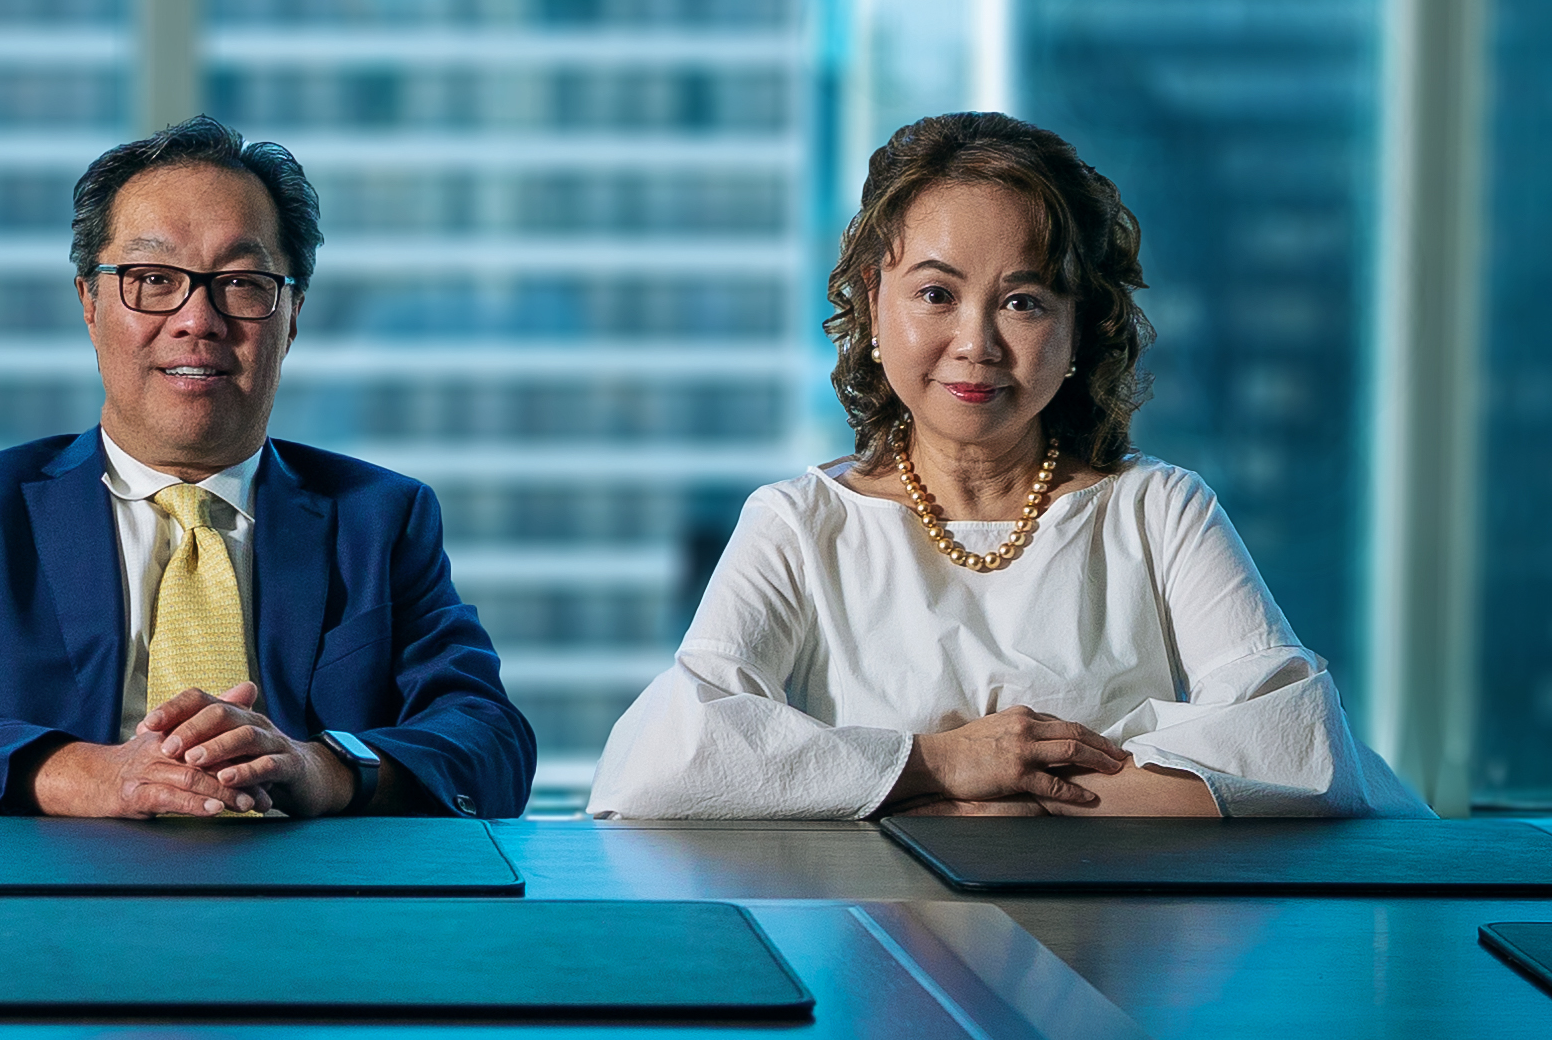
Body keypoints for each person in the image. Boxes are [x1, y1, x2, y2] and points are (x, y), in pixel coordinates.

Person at [589, 112, 1424, 820]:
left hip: (1122, 951)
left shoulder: (1159, 509)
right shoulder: (798, 524)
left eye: (1024, 301)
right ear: (872, 304)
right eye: (935, 293)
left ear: (1078, 328)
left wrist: (994, 792)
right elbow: (669, 762)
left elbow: (1298, 752)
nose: (976, 343)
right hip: (865, 950)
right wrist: (941, 767)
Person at [0, 116, 534, 819]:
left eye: (240, 282)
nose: (196, 319)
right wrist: (97, 777)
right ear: (89, 301)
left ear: (291, 314)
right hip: (47, 905)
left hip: (313, 904)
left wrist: (319, 766)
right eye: (152, 278)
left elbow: (487, 741)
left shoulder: (380, 518)